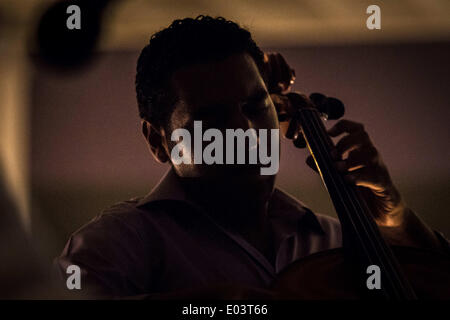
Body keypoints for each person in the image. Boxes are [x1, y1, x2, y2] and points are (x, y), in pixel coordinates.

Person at [55, 16, 448, 299]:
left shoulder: (336, 243)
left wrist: (398, 218)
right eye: (211, 117)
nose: (245, 131)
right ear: (158, 141)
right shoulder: (120, 242)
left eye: (256, 106)